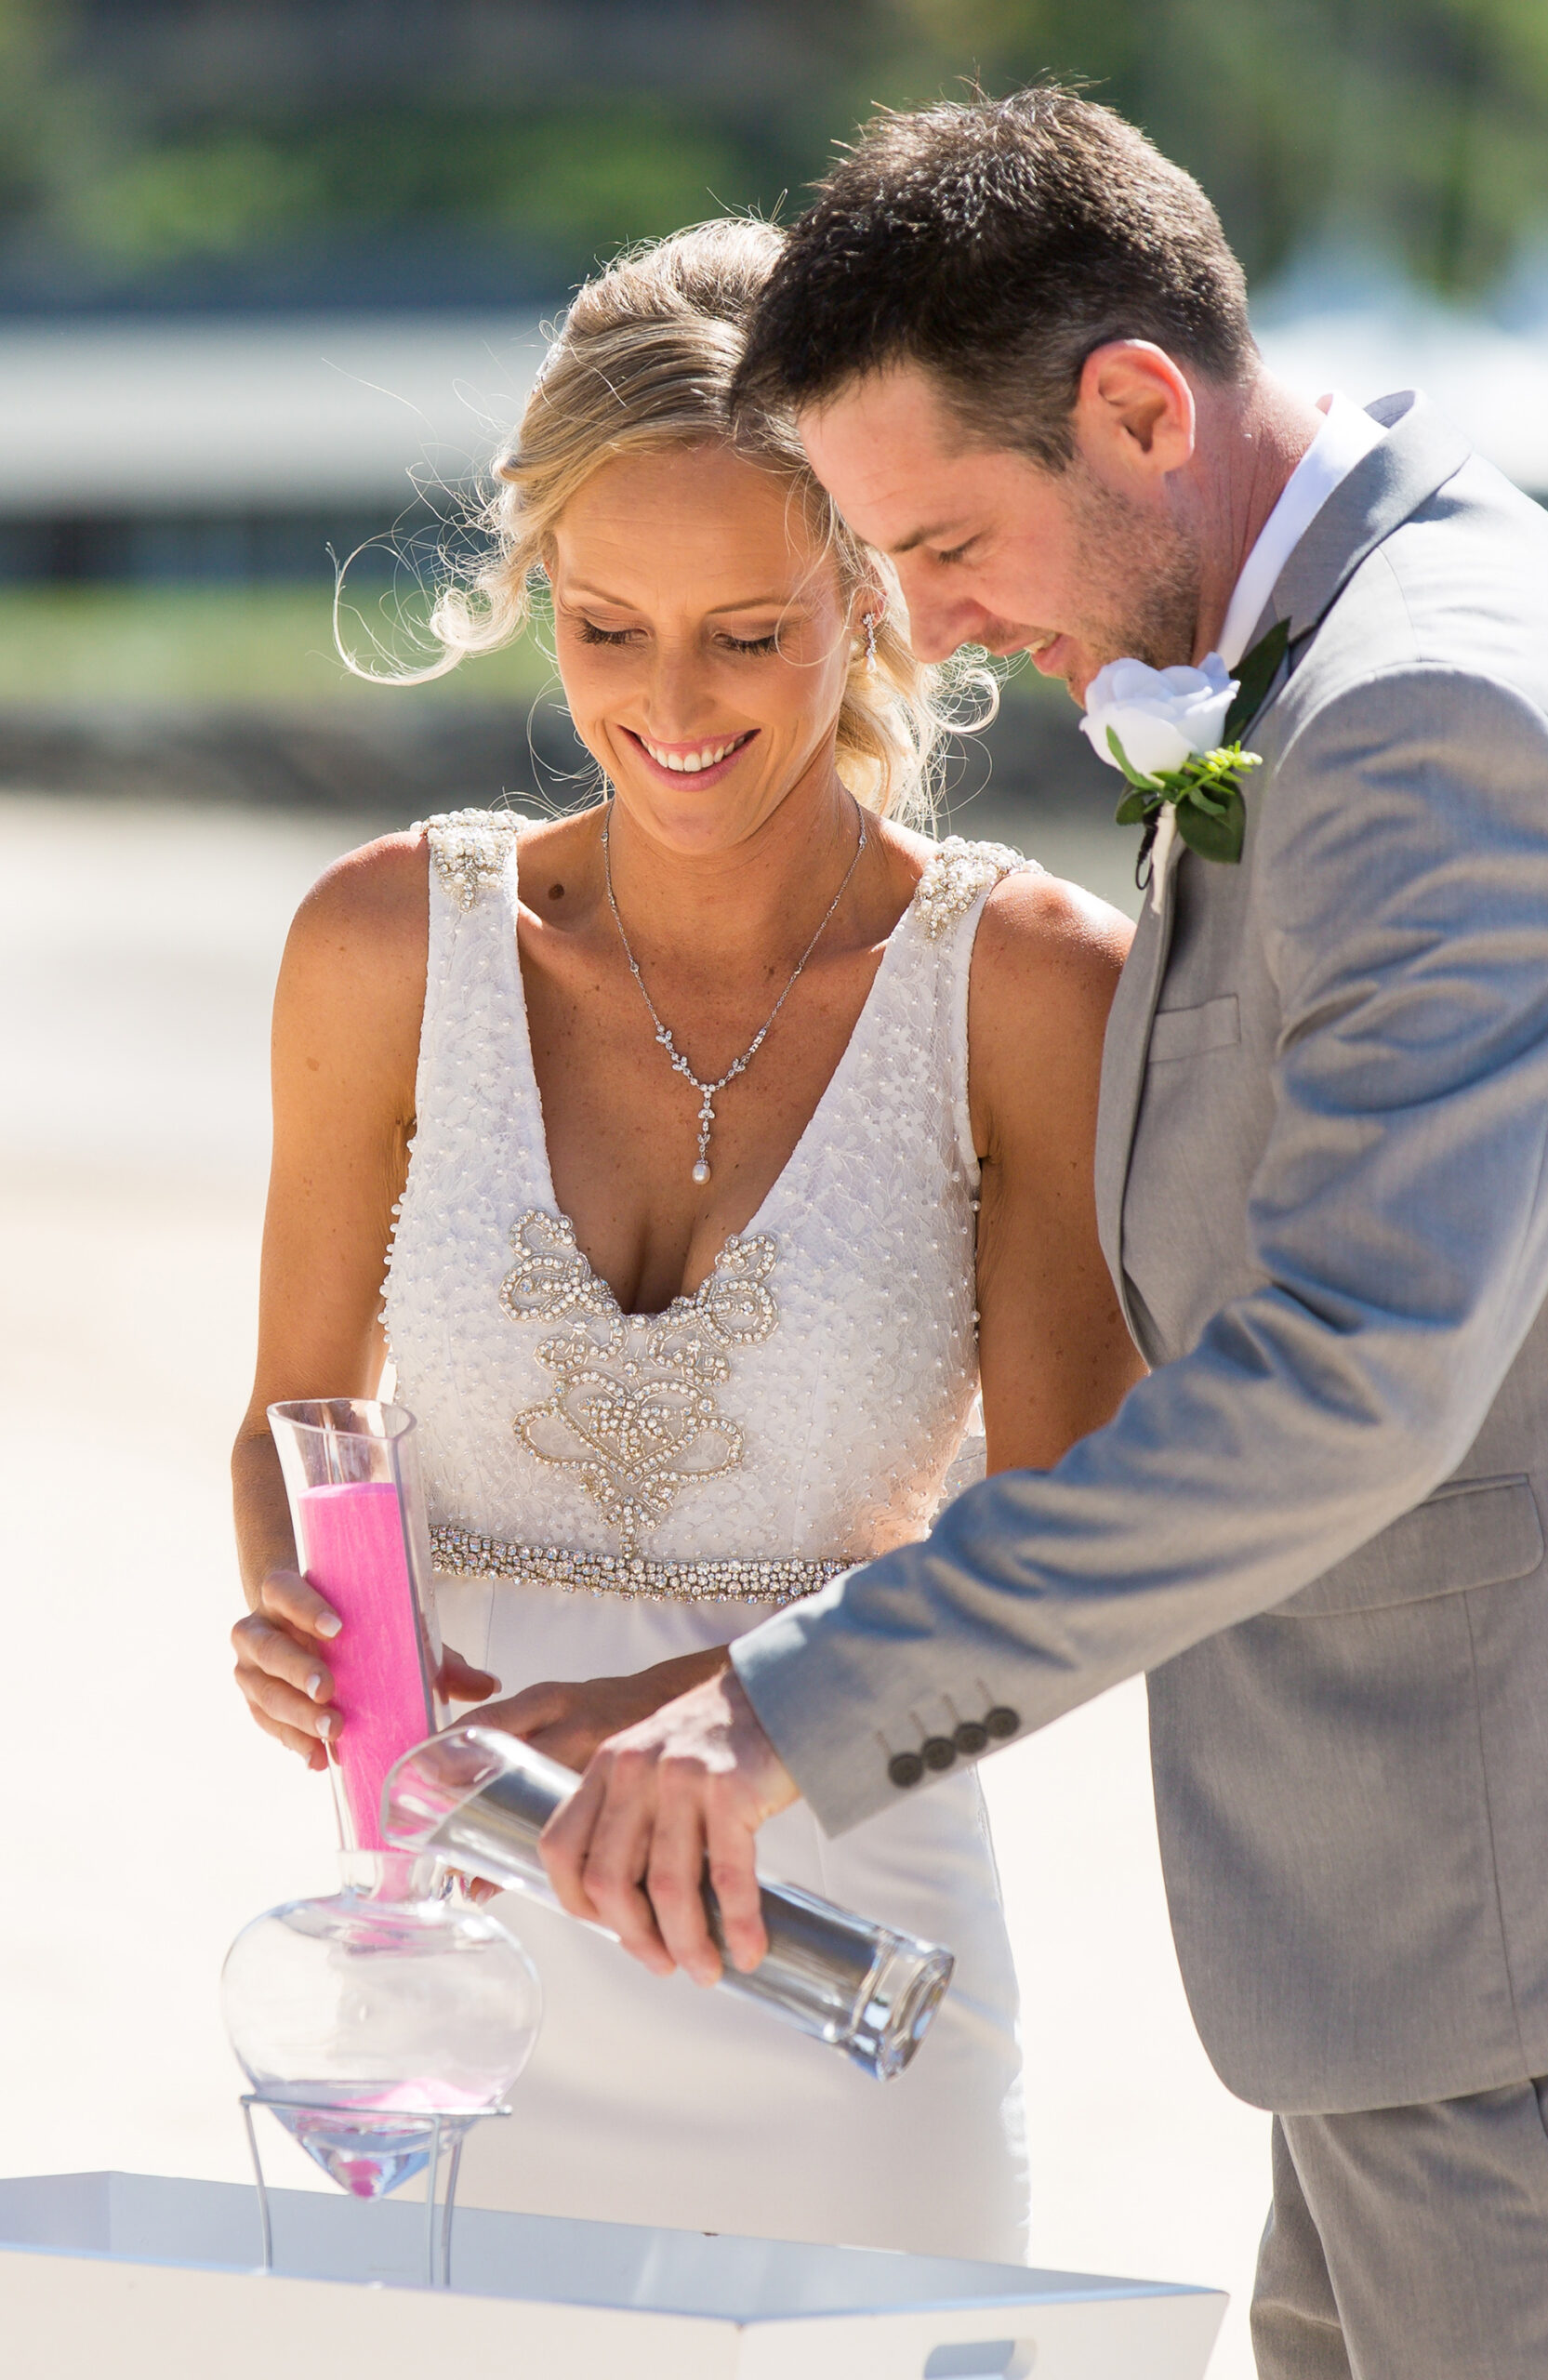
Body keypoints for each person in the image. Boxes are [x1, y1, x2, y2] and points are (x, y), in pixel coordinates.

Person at [535, 94, 1548, 2377]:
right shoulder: (1342, 656)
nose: (924, 625)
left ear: (1133, 406)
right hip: (1414, 1967)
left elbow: (1352, 1370)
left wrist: (779, 1712)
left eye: (936, 537)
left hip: (1525, 1976)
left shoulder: (1421, 705)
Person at [229, 219, 1140, 2259]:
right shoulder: (384, 941)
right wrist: (311, 1635)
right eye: (605, 624)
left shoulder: (1025, 987)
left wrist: (697, 1709)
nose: (671, 702)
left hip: (830, 1963)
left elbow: (1068, 1549)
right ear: (533, 585)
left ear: (875, 596)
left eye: (748, 628)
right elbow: (294, 1418)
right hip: (432, 1972)